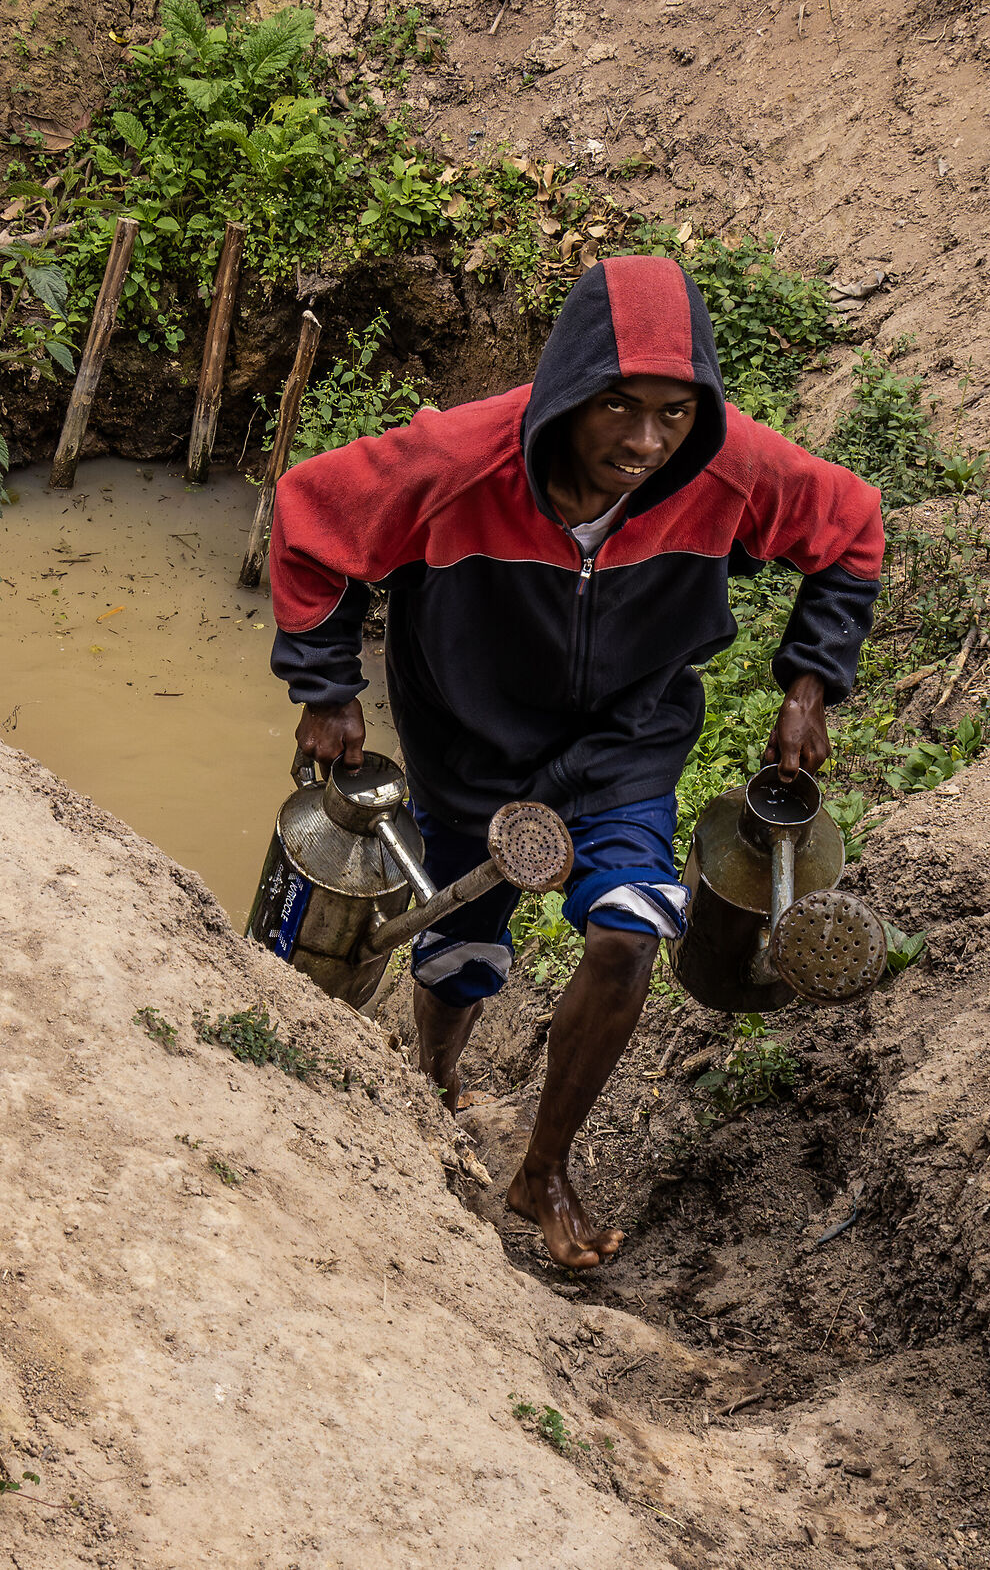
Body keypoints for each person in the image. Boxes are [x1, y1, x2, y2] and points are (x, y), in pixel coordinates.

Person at [267, 255, 883, 1268]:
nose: (645, 442)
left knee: (629, 934)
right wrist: (326, 686)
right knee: (462, 939)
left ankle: (542, 1169)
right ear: (565, 391)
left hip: (624, 747)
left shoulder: (725, 473)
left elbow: (851, 525)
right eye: (616, 406)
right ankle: (434, 1077)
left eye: (675, 413)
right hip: (471, 740)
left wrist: (811, 682)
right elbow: (310, 514)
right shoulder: (456, 463)